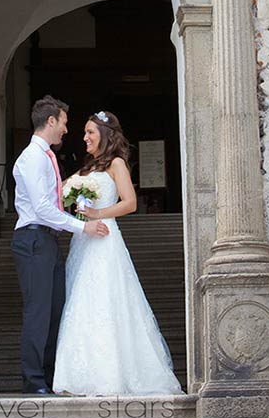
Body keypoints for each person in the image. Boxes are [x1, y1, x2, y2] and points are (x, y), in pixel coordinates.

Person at [52, 110, 183, 396]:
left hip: (105, 242)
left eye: (90, 133)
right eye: (85, 132)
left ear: (105, 136)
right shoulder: (86, 168)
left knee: (105, 301)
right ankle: (79, 376)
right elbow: (63, 190)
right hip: (84, 241)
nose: (84, 137)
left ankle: (109, 376)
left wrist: (98, 212)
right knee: (81, 302)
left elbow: (130, 202)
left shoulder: (117, 164)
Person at [11, 95, 109, 396]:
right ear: (51, 121)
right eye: (64, 123)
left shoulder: (47, 157)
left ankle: (50, 376)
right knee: (38, 312)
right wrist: (83, 227)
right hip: (33, 239)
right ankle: (33, 381)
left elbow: (52, 203)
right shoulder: (32, 158)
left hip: (48, 240)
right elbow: (42, 208)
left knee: (55, 312)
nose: (67, 130)